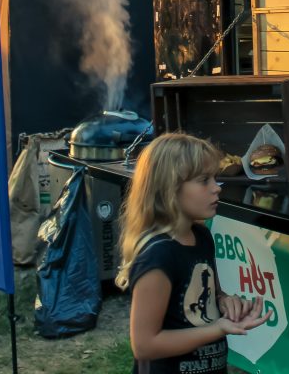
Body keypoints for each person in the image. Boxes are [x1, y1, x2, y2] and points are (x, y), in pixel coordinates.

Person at [116, 133, 271, 374]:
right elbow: (144, 345)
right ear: (170, 188)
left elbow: (212, 294)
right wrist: (218, 329)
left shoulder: (202, 237)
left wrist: (226, 302)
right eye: (204, 180)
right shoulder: (158, 256)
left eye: (215, 179)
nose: (216, 188)